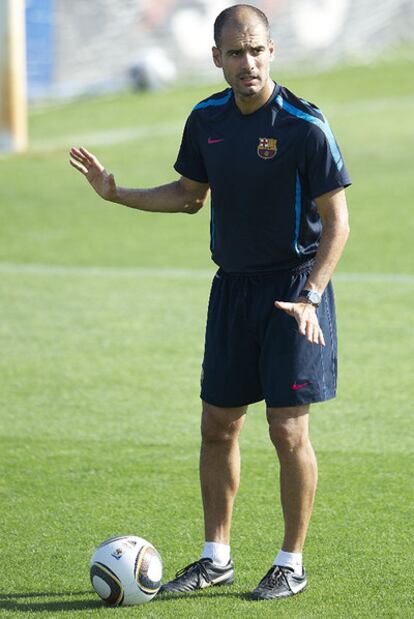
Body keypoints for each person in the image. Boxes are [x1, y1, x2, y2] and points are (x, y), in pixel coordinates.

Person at [70, 4, 351, 601]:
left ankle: (290, 562)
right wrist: (116, 194)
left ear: (271, 52)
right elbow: (189, 195)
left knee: (287, 431)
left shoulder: (305, 125)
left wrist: (311, 295)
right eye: (234, 53)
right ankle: (214, 557)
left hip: (294, 290)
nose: (246, 62)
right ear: (216, 58)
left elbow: (337, 222)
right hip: (232, 291)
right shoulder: (205, 120)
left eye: (256, 50)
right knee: (218, 425)